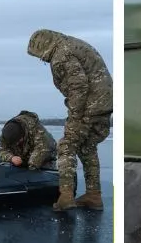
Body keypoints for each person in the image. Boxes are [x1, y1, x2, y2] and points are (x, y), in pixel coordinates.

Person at [27, 28, 114, 211]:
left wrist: (75, 116)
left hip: (89, 107)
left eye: (39, 56)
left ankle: (66, 196)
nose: (42, 59)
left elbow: (78, 87)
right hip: (103, 104)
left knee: (66, 145)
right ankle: (94, 195)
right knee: (87, 147)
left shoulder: (61, 55)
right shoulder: (71, 45)